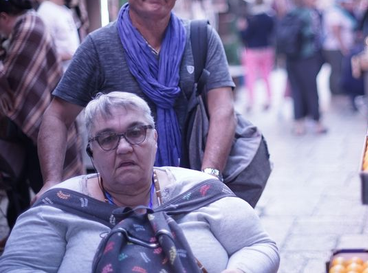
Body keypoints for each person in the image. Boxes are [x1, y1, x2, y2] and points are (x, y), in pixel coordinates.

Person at [36, 0, 236, 201]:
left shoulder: (201, 38)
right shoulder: (99, 45)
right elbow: (57, 116)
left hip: (187, 186)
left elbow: (223, 110)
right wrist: (51, 181)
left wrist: (208, 178)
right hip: (119, 196)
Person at [0, 91, 280, 272]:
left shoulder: (200, 191)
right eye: (108, 138)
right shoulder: (58, 208)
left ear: (154, 140)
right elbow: (19, 266)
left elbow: (258, 245)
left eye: (136, 132)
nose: (123, 148)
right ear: (91, 154)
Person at [0, 0, 82, 230]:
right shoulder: (27, 25)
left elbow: (15, 75)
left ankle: (53, 230)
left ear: (4, 17)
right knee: (24, 178)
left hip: (43, 119)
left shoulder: (28, 27)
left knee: (42, 177)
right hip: (36, 117)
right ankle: (27, 231)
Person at [284, 0, 327, 135]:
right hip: (307, 56)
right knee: (311, 90)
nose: (314, 0)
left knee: (296, 90)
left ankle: (299, 124)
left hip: (291, 57)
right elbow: (314, 34)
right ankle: (317, 122)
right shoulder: (310, 14)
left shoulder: (290, 13)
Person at [37, 0, 81, 71]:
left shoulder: (65, 11)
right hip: (58, 79)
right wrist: (73, 55)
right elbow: (42, 52)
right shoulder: (45, 13)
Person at [237, 0, 276, 112]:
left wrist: (241, 29)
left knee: (250, 76)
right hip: (266, 49)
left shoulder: (250, 18)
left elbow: (245, 36)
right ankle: (268, 99)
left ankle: (250, 101)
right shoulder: (269, 17)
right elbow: (272, 33)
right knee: (266, 76)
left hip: (252, 51)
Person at [322, 0, 358, 95]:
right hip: (334, 48)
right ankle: (336, 91)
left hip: (338, 47)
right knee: (337, 70)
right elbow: (336, 32)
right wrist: (343, 47)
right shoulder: (334, 13)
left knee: (338, 70)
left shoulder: (341, 12)